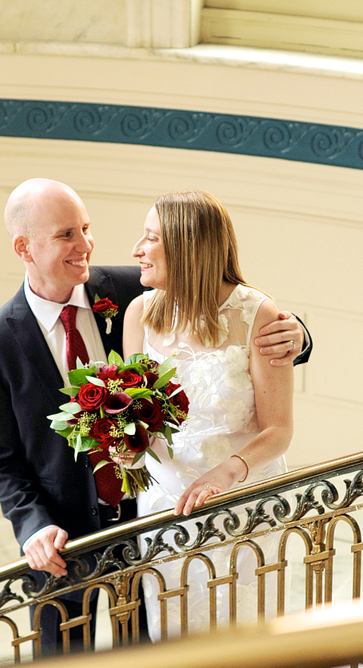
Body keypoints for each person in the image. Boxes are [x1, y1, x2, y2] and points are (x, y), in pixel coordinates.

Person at [0, 178, 310, 658]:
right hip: (69, 535)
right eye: (68, 234)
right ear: (24, 247)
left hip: (158, 516)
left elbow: (224, 302)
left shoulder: (134, 290)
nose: (87, 245)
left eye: (85, 228)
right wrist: (33, 527)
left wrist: (297, 333)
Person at [123, 190, 294, 642]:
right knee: (178, 649)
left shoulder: (257, 313)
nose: (136, 250)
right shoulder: (139, 313)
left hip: (243, 503)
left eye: (150, 238)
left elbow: (279, 430)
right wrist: (127, 448)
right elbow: (137, 416)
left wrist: (228, 471)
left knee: (246, 650)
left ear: (183, 246)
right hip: (166, 508)